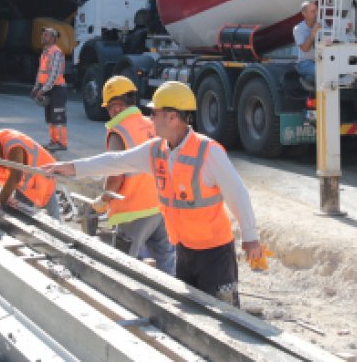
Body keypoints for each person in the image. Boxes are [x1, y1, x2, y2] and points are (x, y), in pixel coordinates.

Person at [45, 81, 262, 306]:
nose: (150, 119)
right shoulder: (156, 150)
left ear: (173, 117)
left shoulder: (208, 152)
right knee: (192, 317)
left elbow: (237, 192)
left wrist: (250, 237)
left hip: (215, 254)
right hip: (185, 251)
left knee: (225, 318)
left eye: (154, 113)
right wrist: (71, 167)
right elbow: (116, 162)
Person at [91, 76, 175, 275]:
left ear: (115, 106)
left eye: (109, 108)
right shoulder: (151, 124)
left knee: (123, 266)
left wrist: (104, 199)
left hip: (133, 211)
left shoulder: (119, 131)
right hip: (161, 206)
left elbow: (115, 176)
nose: (109, 113)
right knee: (166, 265)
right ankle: (171, 303)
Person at [33, 27, 68, 151]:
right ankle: (53, 141)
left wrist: (43, 90)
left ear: (53, 38)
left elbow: (54, 75)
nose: (43, 37)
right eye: (43, 34)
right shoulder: (45, 52)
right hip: (47, 88)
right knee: (50, 117)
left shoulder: (56, 52)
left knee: (58, 116)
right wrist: (37, 87)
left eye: (46, 35)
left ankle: (62, 143)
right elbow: (41, 71)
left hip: (57, 89)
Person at [293, 0, 319, 89]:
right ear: (304, 14)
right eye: (312, 11)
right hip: (305, 63)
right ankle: (308, 80)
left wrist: (346, 30)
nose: (316, 13)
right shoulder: (298, 29)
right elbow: (305, 48)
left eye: (316, 10)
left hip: (320, 60)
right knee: (321, 72)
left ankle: (308, 80)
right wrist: (313, 33)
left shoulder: (322, 25)